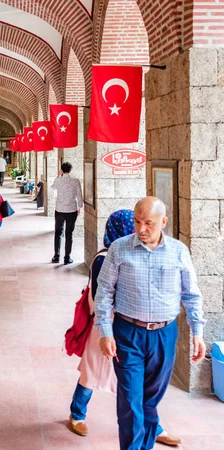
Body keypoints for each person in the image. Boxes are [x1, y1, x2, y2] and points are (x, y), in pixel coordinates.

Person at [95, 197, 207, 450]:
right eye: (137, 222)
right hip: (127, 333)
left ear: (163, 222)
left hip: (164, 334)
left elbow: (191, 294)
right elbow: (104, 292)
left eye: (149, 223)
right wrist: (105, 331)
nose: (141, 229)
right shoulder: (119, 248)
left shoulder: (179, 251)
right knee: (130, 401)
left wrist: (197, 333)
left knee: (150, 399)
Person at [68, 210, 180, 447]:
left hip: (132, 330)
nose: (139, 231)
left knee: (137, 385)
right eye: (135, 225)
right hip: (107, 328)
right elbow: (102, 297)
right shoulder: (104, 258)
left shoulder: (139, 252)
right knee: (93, 373)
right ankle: (77, 413)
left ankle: (153, 426)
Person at [51, 162, 82, 265]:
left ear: (61, 170)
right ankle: (67, 257)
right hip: (71, 210)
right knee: (69, 234)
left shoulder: (58, 180)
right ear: (71, 170)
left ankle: (56, 256)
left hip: (59, 210)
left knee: (58, 233)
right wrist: (80, 206)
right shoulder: (75, 181)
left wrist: (59, 175)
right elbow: (79, 196)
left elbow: (53, 188)